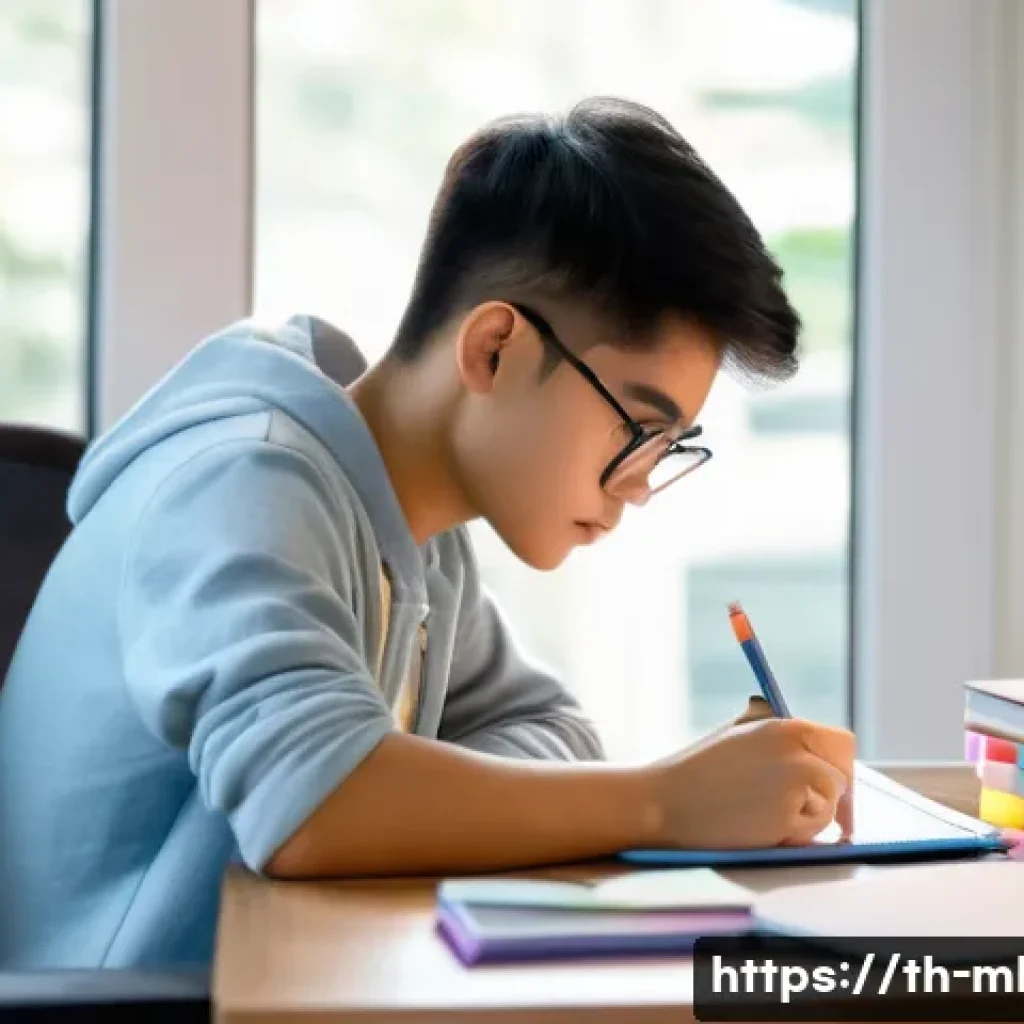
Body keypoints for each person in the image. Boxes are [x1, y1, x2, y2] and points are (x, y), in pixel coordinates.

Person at [0, 96, 853, 969]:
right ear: (493, 348)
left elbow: (549, 724)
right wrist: (664, 803)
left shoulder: (416, 530)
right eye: (637, 429)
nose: (639, 487)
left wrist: (405, 783)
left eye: (672, 449)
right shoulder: (242, 480)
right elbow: (314, 806)